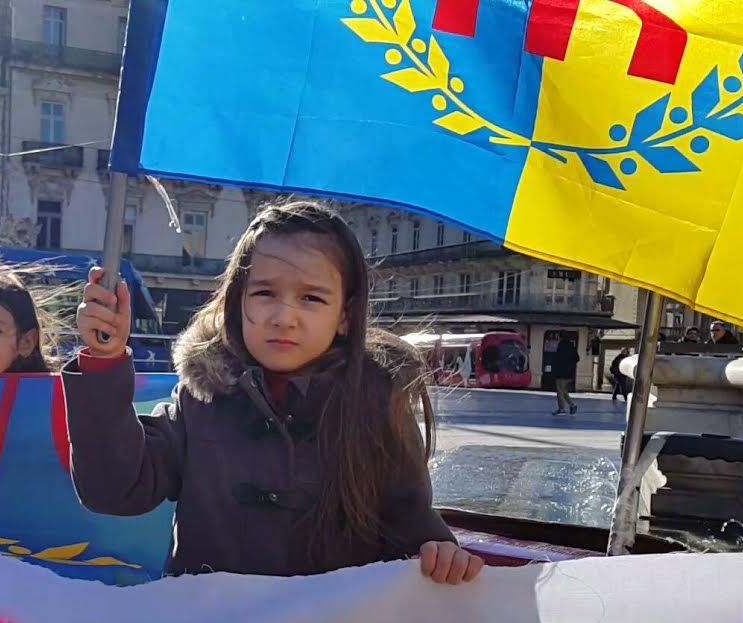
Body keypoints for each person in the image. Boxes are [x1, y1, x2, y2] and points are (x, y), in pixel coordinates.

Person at [63, 200, 481, 583]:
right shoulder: (201, 398)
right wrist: (103, 362)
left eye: (312, 298)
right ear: (236, 300)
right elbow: (114, 489)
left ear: (345, 317)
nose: (284, 317)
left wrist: (441, 555)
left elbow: (413, 532)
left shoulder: (376, 407)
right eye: (264, 293)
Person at [550, 337, 580, 415]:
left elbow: (557, 359)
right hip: (569, 373)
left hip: (561, 372)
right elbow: (577, 358)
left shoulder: (561, 346)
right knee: (562, 389)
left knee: (560, 389)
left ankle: (563, 408)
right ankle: (571, 406)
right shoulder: (571, 347)